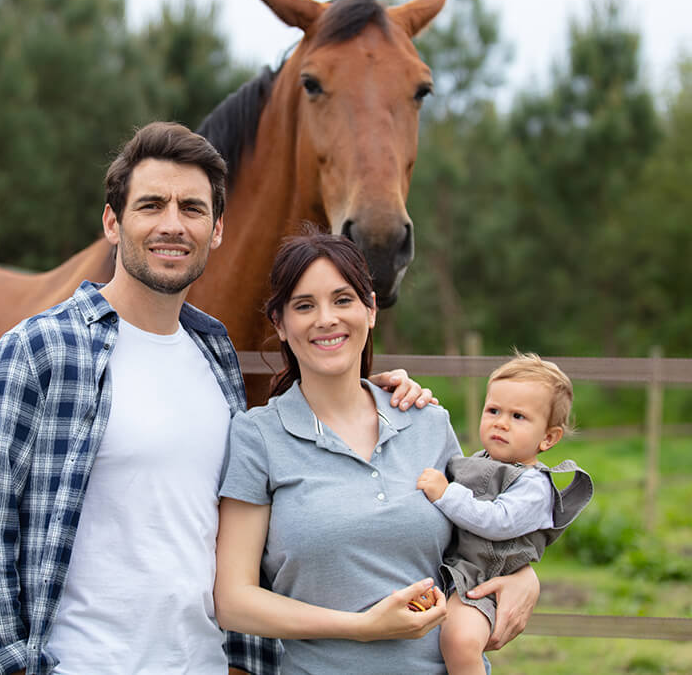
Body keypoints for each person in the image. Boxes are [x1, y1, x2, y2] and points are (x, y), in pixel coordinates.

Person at [0, 122, 434, 675]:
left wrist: (384, 396)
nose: (173, 225)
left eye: (193, 209)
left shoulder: (214, 353)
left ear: (217, 229)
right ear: (111, 221)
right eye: (151, 205)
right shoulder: (40, 351)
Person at [214, 229, 540, 674]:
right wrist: (361, 626)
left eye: (343, 300)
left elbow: (478, 539)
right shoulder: (258, 437)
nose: (326, 318)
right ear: (280, 325)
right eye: (304, 305)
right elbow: (234, 601)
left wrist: (525, 577)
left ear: (370, 310)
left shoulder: (427, 421)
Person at [417, 353, 594, 675]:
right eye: (493, 410)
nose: (501, 422)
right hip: (457, 571)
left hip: (487, 578)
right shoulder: (478, 461)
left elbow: (497, 522)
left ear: (548, 438)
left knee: (459, 640)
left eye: (518, 416)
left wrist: (446, 493)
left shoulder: (534, 485)